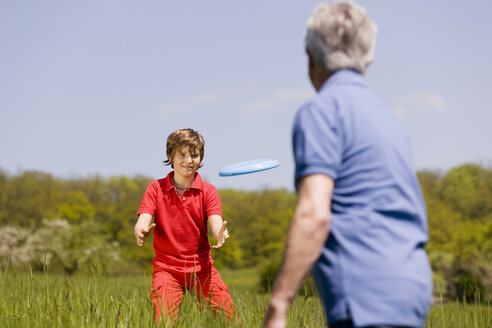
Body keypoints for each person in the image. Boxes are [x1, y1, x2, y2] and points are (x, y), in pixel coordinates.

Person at [263, 1, 432, 328]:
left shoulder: (321, 112)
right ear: (369, 56)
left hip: (362, 293)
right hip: (413, 288)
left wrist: (279, 305)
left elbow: (314, 214)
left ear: (310, 56)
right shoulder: (391, 120)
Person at [134, 128, 237, 323]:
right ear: (170, 156)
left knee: (230, 320)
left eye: (194, 155)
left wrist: (220, 233)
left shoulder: (208, 191)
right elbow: (143, 219)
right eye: (182, 154)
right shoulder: (156, 188)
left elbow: (215, 222)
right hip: (167, 270)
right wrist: (140, 230)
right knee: (163, 322)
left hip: (202, 268)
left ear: (200, 158)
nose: (188, 160)